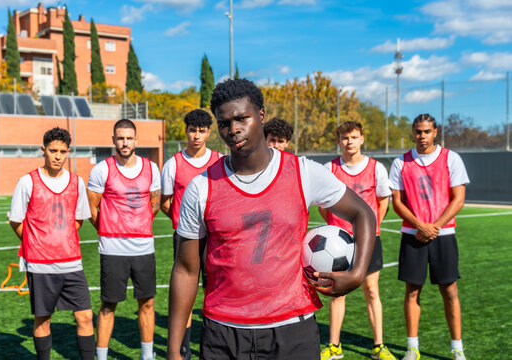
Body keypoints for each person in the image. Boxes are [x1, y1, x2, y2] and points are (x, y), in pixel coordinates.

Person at [167, 78, 377, 360]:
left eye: (242, 118)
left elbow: (362, 213)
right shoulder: (201, 187)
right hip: (224, 332)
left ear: (261, 116)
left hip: (292, 330)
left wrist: (357, 273)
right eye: (224, 122)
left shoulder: (302, 172)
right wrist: (173, 350)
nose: (234, 129)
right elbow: (185, 270)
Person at [8, 127, 95, 360]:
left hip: (72, 263)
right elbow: (15, 221)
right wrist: (37, 242)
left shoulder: (77, 182)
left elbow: (78, 220)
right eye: (53, 150)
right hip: (40, 265)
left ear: (68, 152)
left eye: (63, 151)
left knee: (85, 316)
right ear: (43, 150)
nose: (58, 156)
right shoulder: (27, 182)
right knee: (43, 319)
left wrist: (61, 236)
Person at [389, 114, 469, 360]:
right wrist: (420, 226)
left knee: (450, 291)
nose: (421, 136)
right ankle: (412, 348)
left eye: (426, 131)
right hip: (413, 235)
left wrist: (433, 227)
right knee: (412, 291)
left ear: (435, 132)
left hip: (443, 234)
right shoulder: (400, 162)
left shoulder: (451, 158)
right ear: (412, 133)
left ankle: (457, 350)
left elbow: (458, 199)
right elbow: (397, 202)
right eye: (417, 132)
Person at [319, 121, 395, 360]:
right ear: (338, 141)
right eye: (344, 138)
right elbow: (323, 207)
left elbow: (383, 201)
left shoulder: (376, 168)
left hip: (369, 241)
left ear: (362, 138)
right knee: (337, 292)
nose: (349, 142)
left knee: (372, 290)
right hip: (337, 243)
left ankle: (379, 346)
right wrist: (336, 228)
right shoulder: (328, 169)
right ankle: (334, 346)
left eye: (353, 137)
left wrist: (371, 228)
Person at [87, 119, 161, 360]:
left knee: (147, 303)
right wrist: (110, 228)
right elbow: (92, 209)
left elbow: (155, 203)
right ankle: (101, 356)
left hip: (143, 246)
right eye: (120, 138)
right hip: (112, 248)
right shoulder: (102, 169)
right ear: (113, 140)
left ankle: (147, 355)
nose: (125, 142)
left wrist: (137, 224)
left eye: (129, 138)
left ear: (136, 140)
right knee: (109, 305)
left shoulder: (151, 168)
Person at [160, 109, 221, 359]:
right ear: (186, 131)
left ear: (209, 132)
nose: (196, 135)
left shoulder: (219, 160)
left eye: (202, 131)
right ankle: (182, 350)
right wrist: (181, 221)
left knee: (214, 291)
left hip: (215, 237)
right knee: (185, 293)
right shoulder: (173, 163)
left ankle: (213, 345)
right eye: (192, 130)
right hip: (186, 237)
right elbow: (165, 202)